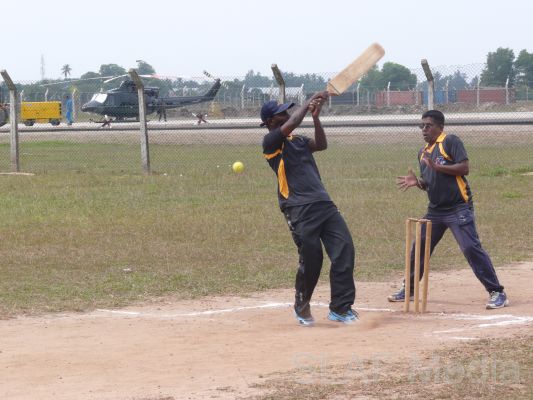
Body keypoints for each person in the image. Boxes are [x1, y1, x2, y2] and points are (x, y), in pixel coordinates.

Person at [392, 109, 508, 309]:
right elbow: (429, 182)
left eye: (428, 125)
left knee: (470, 248)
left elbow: (464, 168)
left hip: (458, 208)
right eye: (422, 126)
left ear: (440, 127)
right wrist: (418, 182)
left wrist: (438, 167)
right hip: (435, 210)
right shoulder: (423, 152)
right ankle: (409, 289)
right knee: (419, 247)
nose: (424, 129)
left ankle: (497, 292)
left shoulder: (450, 141)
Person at [262, 93, 358, 326]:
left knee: (344, 251)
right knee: (312, 259)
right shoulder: (271, 142)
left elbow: (321, 145)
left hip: (324, 203)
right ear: (271, 121)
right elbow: (292, 122)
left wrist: (316, 118)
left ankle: (340, 308)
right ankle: (302, 306)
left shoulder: (297, 140)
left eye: (288, 111)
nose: (287, 114)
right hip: (298, 208)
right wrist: (307, 104)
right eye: (282, 113)